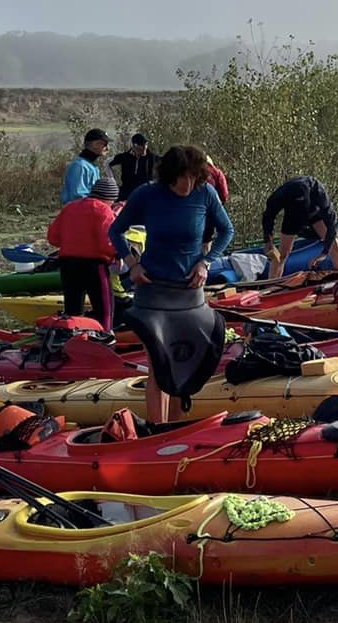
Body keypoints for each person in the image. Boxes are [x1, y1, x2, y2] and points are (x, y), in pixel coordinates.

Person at [108, 145, 235, 421]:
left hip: (190, 293)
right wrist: (132, 264)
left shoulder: (206, 194)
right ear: (169, 176)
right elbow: (115, 230)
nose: (187, 184)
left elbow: (227, 230)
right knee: (158, 365)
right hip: (153, 291)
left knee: (184, 363)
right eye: (182, 178)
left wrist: (207, 261)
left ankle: (176, 430)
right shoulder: (147, 194)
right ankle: (157, 430)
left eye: (193, 177)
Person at [47, 173, 121, 330]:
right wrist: (118, 254)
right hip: (94, 266)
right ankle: (106, 338)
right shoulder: (104, 210)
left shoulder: (70, 207)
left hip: (68, 264)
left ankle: (71, 339)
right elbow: (107, 243)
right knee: (104, 310)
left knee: (73, 309)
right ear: (109, 197)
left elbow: (53, 238)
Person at [261, 175, 338, 280]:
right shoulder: (280, 195)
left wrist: (324, 253)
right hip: (293, 215)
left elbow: (332, 223)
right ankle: (273, 282)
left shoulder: (318, 191)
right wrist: (268, 241)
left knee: (334, 245)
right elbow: (268, 217)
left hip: (314, 211)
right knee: (282, 253)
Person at [61, 129, 111, 203]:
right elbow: (78, 197)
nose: (107, 148)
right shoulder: (80, 166)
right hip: (78, 212)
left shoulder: (92, 166)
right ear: (95, 144)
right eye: (105, 144)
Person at [109, 133, 157, 201]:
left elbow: (167, 165)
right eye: (142, 146)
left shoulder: (152, 157)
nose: (145, 148)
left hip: (145, 194)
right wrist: (112, 181)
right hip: (126, 194)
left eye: (146, 145)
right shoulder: (125, 157)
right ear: (134, 145)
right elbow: (107, 163)